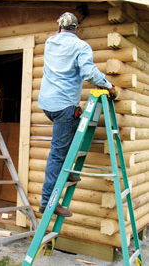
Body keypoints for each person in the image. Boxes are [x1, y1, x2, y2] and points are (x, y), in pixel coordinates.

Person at [38, 12, 117, 217]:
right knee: (57, 153)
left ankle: (68, 173)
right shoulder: (81, 46)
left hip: (48, 105)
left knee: (70, 135)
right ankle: (47, 202)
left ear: (58, 28)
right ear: (77, 29)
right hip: (64, 106)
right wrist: (108, 85)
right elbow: (89, 73)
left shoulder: (49, 43)